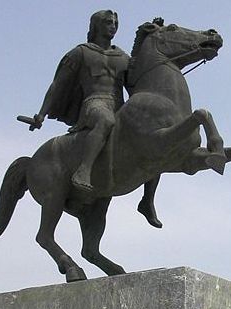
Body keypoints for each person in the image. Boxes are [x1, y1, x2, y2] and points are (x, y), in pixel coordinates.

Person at [24, 10, 162, 227]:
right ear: (96, 25)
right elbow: (57, 85)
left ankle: (147, 200)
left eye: (115, 22)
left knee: (155, 139)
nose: (113, 26)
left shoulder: (123, 57)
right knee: (105, 120)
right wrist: (41, 114)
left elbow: (138, 79)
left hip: (119, 105)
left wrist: (145, 38)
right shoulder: (80, 53)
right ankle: (83, 170)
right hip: (94, 103)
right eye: (108, 22)